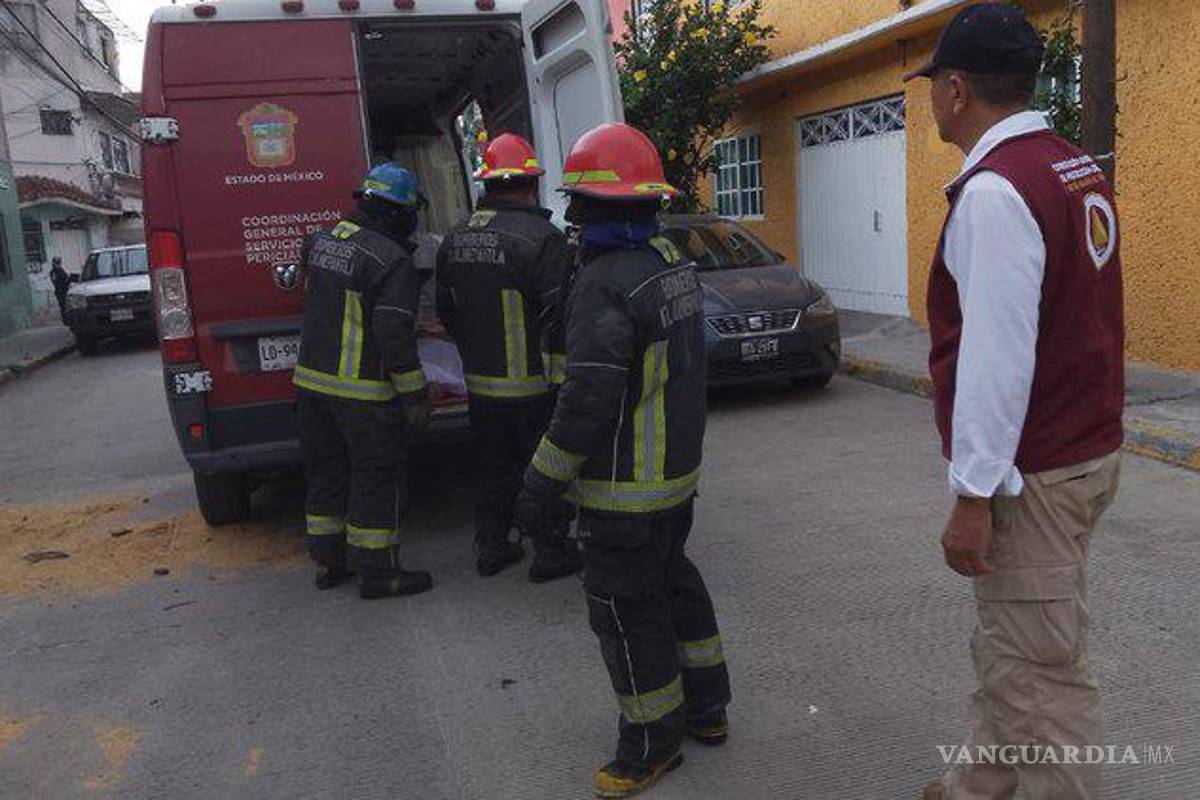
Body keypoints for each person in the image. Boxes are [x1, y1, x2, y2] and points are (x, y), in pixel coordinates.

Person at [906, 5, 1124, 799]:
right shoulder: (1071, 164)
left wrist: (972, 493)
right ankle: (980, 788)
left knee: (1042, 674)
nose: (931, 99)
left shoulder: (999, 193)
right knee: (1018, 643)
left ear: (956, 90)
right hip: (1085, 451)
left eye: (933, 85)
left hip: (1034, 471)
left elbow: (997, 360)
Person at [515, 123, 731, 798]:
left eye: (579, 203)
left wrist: (539, 483)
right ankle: (707, 710)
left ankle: (649, 745)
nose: (574, 218)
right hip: (675, 481)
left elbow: (587, 400)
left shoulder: (604, 284)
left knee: (626, 611)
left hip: (621, 494)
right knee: (675, 586)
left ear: (592, 208)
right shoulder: (672, 265)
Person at [436, 133, 581, 582]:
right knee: (544, 469)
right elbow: (561, 318)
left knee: (493, 467)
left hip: (481, 386)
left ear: (488, 184)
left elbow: (447, 311)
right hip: (533, 386)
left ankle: (491, 547)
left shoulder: (455, 239)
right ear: (530, 184)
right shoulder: (543, 239)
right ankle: (550, 552)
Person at [294, 162, 434, 600]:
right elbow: (393, 333)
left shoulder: (318, 242)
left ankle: (328, 561)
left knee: (326, 474)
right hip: (363, 395)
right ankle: (379, 573)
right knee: (376, 477)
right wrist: (414, 393)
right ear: (395, 213)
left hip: (312, 387)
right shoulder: (392, 261)